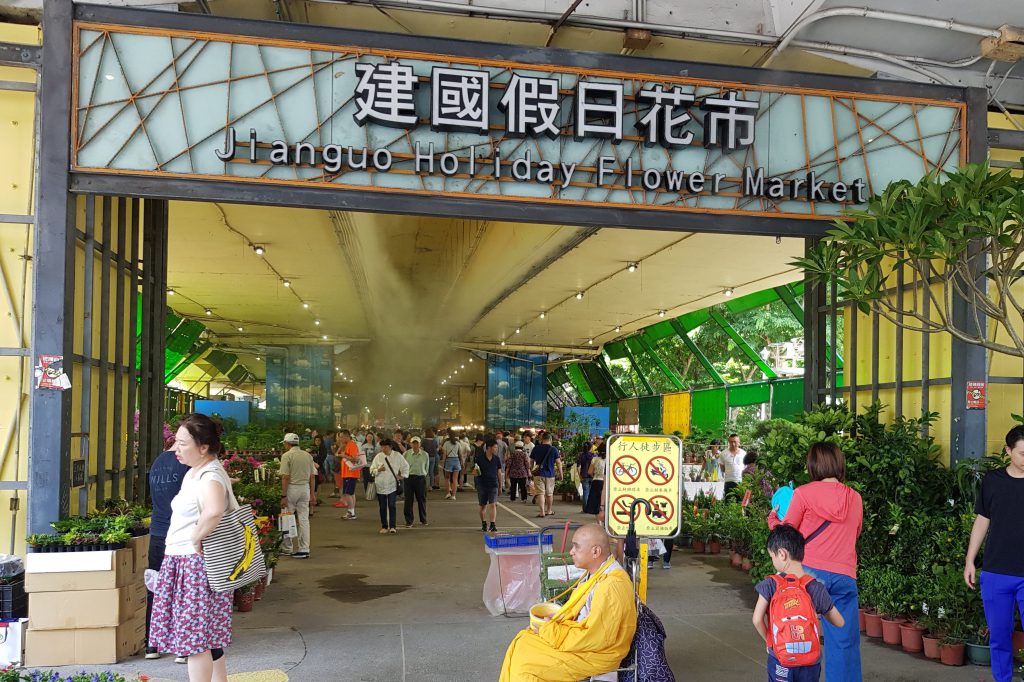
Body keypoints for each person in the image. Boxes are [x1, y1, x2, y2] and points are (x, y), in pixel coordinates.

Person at [768, 442, 863, 682]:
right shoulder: (855, 498)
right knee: (844, 644)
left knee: (795, 637)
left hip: (808, 578)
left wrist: (772, 519)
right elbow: (855, 533)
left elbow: (787, 539)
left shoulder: (803, 493)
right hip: (844, 576)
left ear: (813, 465)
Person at [149, 414, 233, 682]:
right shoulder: (195, 473)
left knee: (194, 643)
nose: (176, 448)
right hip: (187, 563)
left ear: (203, 447)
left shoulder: (209, 475)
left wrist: (196, 537)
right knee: (205, 640)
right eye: (176, 441)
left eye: (183, 443)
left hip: (194, 566)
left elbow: (215, 510)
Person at [499, 524, 637, 682]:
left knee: (526, 665)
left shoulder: (611, 586)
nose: (571, 552)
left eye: (576, 547)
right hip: (583, 642)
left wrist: (549, 630)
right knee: (522, 642)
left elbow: (597, 638)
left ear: (596, 552)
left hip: (596, 655)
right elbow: (582, 614)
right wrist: (555, 620)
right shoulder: (597, 572)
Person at [964, 424, 1024, 682]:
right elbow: (982, 520)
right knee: (999, 637)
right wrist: (970, 560)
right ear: (1008, 451)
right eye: (1022, 453)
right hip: (996, 572)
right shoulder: (993, 481)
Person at [753, 525, 845, 682]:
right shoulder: (815, 587)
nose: (773, 561)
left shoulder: (771, 585)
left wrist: (771, 643)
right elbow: (840, 622)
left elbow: (756, 619)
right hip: (810, 661)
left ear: (781, 554)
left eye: (772, 556)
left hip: (780, 659)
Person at [144, 446, 189, 661]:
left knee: (156, 587)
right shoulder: (186, 464)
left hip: (157, 532)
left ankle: (151, 645)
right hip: (181, 534)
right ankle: (182, 647)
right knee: (184, 589)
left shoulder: (158, 462)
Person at [279, 432, 315, 559]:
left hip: (292, 489)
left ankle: (287, 547)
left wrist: (283, 496)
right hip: (305, 488)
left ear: (287, 443)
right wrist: (312, 493)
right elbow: (312, 476)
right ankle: (304, 548)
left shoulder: (286, 456)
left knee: (287, 517)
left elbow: (285, 477)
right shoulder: (307, 455)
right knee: (304, 519)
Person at [370, 439, 409, 534]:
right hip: (380, 485)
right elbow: (371, 470)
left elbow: (405, 466)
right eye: (382, 447)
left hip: (392, 485)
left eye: (385, 447)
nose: (383, 449)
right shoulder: (378, 456)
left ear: (390, 447)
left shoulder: (397, 455)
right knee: (382, 507)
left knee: (392, 505)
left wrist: (402, 476)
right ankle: (384, 526)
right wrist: (378, 470)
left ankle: (392, 526)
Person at [530, 432, 563, 518]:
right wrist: (561, 474)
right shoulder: (554, 449)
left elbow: (531, 461)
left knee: (540, 493)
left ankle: (542, 512)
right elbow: (558, 463)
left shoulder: (536, 448)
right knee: (549, 494)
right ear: (550, 439)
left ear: (541, 439)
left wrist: (531, 470)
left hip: (538, 474)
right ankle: (549, 510)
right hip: (550, 474)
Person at [474, 439, 502, 532]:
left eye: (496, 447)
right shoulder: (479, 458)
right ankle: (484, 523)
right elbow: (475, 471)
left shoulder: (496, 459)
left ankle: (493, 524)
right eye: (495, 447)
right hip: (482, 485)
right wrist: (475, 472)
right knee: (483, 506)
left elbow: (499, 472)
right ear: (489, 448)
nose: (496, 449)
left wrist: (500, 485)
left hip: (493, 484)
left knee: (493, 504)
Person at [337, 429, 364, 520]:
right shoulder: (348, 445)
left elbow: (355, 459)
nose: (340, 439)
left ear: (346, 436)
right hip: (349, 473)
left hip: (350, 473)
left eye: (341, 437)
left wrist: (343, 455)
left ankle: (351, 513)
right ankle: (351, 512)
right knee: (351, 493)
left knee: (348, 493)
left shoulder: (351, 445)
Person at [403, 436, 429, 527]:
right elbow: (403, 466)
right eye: (413, 443)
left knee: (422, 499)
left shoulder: (425, 454)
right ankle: (409, 521)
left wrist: (423, 475)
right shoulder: (406, 454)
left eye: (417, 443)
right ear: (410, 444)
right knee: (408, 500)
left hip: (420, 478)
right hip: (409, 478)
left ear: (420, 444)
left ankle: (423, 519)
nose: (415, 445)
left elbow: (427, 467)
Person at [583, 443, 606, 516]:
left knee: (596, 503)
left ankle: (598, 523)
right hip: (607, 483)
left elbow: (590, 472)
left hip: (596, 481)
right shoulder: (611, 459)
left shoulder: (595, 459)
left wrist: (595, 475)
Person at [577, 438, 596, 512]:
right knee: (593, 492)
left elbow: (578, 467)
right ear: (591, 447)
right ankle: (592, 508)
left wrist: (580, 476)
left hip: (584, 476)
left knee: (585, 492)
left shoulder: (581, 455)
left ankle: (585, 509)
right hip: (593, 476)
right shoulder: (594, 455)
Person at [441, 432, 462, 500]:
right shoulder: (458, 443)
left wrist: (443, 463)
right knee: (455, 479)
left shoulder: (446, 443)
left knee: (447, 478)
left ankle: (448, 493)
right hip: (456, 461)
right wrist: (462, 462)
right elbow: (460, 454)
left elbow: (444, 454)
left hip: (449, 461)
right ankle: (453, 495)